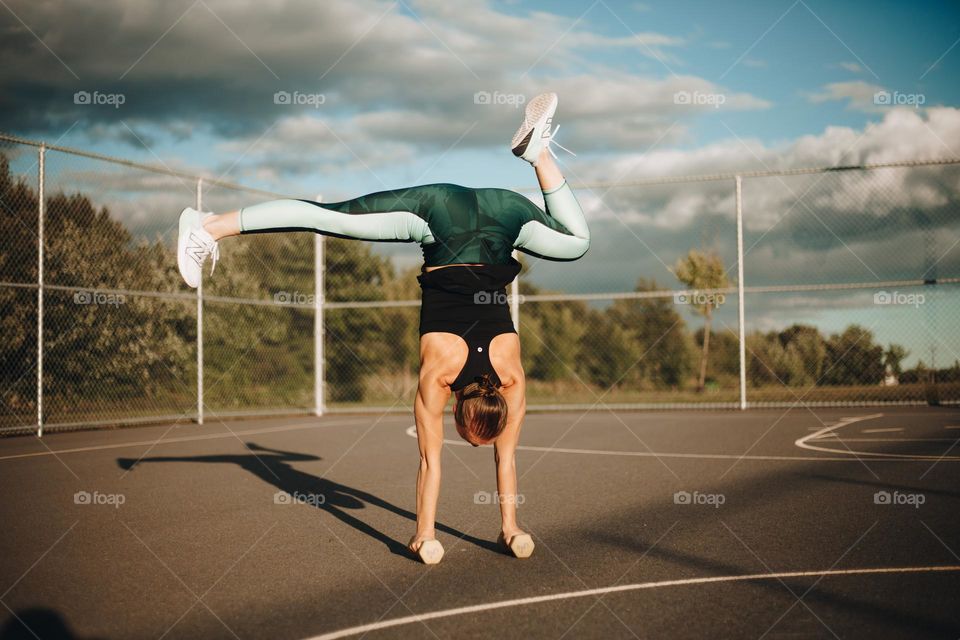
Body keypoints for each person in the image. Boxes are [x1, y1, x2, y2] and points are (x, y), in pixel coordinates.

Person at [176, 93, 589, 563]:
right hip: (440, 217)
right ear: (458, 411)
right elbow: (433, 460)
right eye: (470, 437)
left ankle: (537, 152)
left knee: (577, 243)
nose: (472, 446)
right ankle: (207, 227)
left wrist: (512, 529)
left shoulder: (511, 377)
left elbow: (501, 456)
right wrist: (424, 535)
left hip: (504, 213)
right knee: (324, 217)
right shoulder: (439, 378)